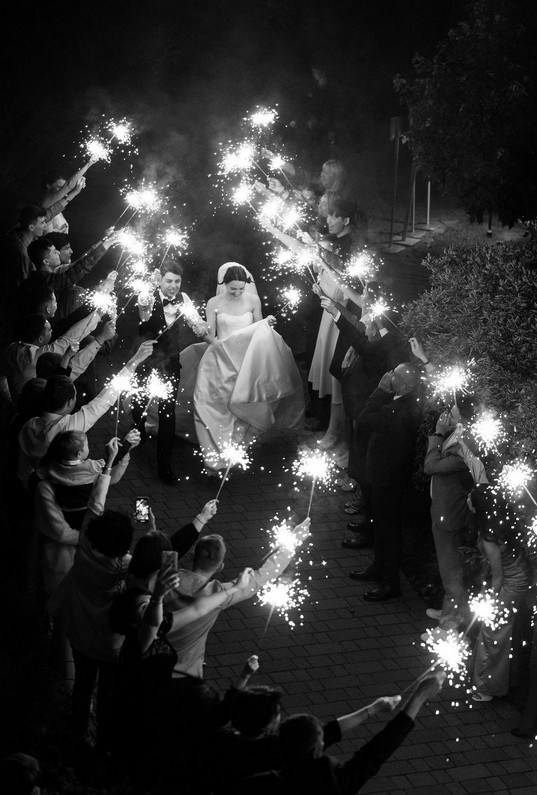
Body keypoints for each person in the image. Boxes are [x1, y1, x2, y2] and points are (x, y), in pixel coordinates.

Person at [238, 672, 445, 794]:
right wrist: (420, 696)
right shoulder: (330, 785)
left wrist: (373, 709)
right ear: (318, 748)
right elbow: (376, 752)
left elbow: (330, 732)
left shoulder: (253, 780)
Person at [164, 518, 310, 686]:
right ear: (220, 567)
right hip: (184, 674)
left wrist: (201, 518)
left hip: (147, 660)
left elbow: (165, 551)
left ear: (191, 555)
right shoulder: (219, 595)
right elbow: (263, 576)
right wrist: (294, 541)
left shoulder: (166, 577)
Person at [193, 263, 304, 474]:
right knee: (215, 409)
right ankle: (215, 457)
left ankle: (235, 451)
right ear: (224, 284)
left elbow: (259, 331)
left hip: (248, 361)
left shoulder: (253, 300)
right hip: (220, 359)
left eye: (241, 289)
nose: (237, 293)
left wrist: (268, 323)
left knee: (245, 406)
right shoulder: (213, 303)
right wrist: (209, 338)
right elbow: (211, 334)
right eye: (233, 288)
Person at [17, 339, 155, 488]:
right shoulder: (66, 427)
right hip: (60, 492)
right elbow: (103, 400)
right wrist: (133, 362)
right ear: (70, 403)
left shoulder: (29, 425)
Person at [350, 364, 424, 601]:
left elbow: (364, 420)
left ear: (402, 384)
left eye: (394, 375)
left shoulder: (399, 409)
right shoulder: (405, 402)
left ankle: (391, 582)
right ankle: (378, 567)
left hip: (389, 478)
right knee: (381, 526)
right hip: (385, 475)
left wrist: (379, 392)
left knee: (389, 530)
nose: (388, 375)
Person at [132, 259, 207, 484]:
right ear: (160, 280)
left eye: (177, 281)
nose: (173, 285)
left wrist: (209, 335)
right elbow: (144, 314)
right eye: (168, 281)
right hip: (146, 360)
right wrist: (148, 285)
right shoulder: (148, 296)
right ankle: (138, 430)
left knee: (168, 413)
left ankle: (164, 466)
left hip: (171, 362)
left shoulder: (183, 299)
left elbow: (196, 322)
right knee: (140, 402)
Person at [421, 394, 485, 640]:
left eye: (455, 409)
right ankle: (451, 609)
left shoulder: (464, 448)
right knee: (449, 566)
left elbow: (431, 467)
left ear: (464, 416)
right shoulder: (460, 433)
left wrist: (437, 434)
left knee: (451, 571)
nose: (450, 411)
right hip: (445, 510)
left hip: (450, 514)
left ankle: (449, 627)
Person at [469, 482, 532, 702]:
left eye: (471, 496)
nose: (468, 498)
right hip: (519, 577)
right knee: (503, 632)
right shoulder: (502, 522)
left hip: (511, 584)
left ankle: (487, 688)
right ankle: (507, 680)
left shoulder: (489, 536)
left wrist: (488, 602)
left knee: (492, 631)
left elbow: (498, 577)